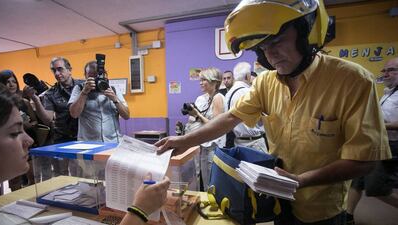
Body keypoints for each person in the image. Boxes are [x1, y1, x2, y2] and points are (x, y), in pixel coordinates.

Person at [156, 0, 391, 224]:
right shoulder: (265, 82)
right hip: (277, 199)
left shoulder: (353, 81)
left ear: (306, 32)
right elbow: (230, 118)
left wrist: (301, 181)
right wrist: (184, 140)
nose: (270, 54)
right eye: (263, 47)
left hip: (321, 208)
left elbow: (365, 161)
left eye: (277, 41)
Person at [0, 80, 170, 225]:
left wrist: (114, 98)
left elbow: (126, 113)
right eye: (15, 132)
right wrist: (139, 210)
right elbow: (73, 113)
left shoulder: (112, 91)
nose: (30, 140)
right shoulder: (79, 90)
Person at [346, 57, 398, 224]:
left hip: (391, 145)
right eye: (384, 70)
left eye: (390, 70)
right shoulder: (387, 93)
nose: (385, 73)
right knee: (357, 180)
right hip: (376, 142)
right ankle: (348, 217)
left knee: (376, 188)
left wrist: (379, 126)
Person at [24, 57, 84, 178]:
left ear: (69, 70)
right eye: (54, 70)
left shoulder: (83, 86)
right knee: (61, 174)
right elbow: (47, 119)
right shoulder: (51, 93)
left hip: (83, 136)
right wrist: (35, 99)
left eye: (60, 69)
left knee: (82, 172)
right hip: (62, 137)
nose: (57, 73)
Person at [0, 70, 37, 191]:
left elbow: (34, 122)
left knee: (33, 177)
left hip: (27, 143)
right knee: (14, 180)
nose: (11, 84)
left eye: (14, 81)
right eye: (7, 82)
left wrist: (27, 125)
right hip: (9, 145)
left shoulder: (24, 102)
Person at [184, 67, 225, 191]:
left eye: (204, 80)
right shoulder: (206, 98)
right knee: (205, 179)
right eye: (200, 80)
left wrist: (198, 115)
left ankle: (214, 206)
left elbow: (215, 126)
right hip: (205, 145)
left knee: (212, 181)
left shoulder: (218, 98)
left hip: (214, 146)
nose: (200, 83)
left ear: (214, 82)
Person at [69, 60, 130, 143]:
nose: (95, 79)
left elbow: (126, 116)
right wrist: (84, 93)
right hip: (88, 143)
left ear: (104, 75)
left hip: (113, 142)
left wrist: (115, 99)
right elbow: (74, 114)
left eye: (97, 76)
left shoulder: (113, 89)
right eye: (91, 76)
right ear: (86, 76)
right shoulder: (79, 88)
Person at [225, 62, 267, 152]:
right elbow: (261, 119)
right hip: (254, 143)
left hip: (238, 142)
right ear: (248, 76)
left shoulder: (228, 94)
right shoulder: (248, 92)